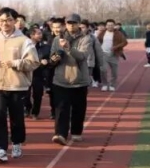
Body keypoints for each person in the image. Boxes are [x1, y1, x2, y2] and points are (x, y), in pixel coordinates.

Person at [0, 8, 39, 160]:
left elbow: (34, 62)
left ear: (15, 21)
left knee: (16, 117)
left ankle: (17, 143)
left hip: (17, 85)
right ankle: (1, 147)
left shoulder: (24, 41)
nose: (5, 23)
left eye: (9, 20)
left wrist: (16, 63)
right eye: (2, 20)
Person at [50, 14, 92, 145]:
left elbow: (82, 56)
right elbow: (52, 57)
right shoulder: (57, 39)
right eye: (68, 23)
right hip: (61, 79)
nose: (71, 25)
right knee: (61, 109)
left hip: (79, 80)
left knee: (78, 108)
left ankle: (76, 132)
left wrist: (69, 48)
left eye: (74, 23)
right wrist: (54, 58)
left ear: (79, 24)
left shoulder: (86, 38)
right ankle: (60, 134)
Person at [98, 19, 128, 91]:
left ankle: (112, 85)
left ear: (114, 26)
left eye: (111, 25)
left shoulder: (118, 33)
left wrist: (116, 47)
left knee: (114, 72)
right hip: (103, 54)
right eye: (108, 25)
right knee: (103, 70)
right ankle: (105, 84)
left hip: (114, 54)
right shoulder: (102, 33)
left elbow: (125, 42)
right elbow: (97, 41)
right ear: (106, 26)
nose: (110, 26)